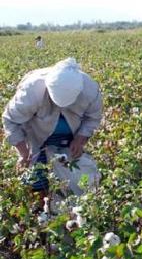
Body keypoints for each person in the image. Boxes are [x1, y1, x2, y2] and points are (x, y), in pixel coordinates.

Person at [2, 58, 103, 196]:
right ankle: (42, 205)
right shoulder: (32, 90)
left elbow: (93, 118)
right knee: (36, 174)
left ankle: (69, 201)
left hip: (69, 137)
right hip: (36, 135)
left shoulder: (90, 90)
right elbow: (10, 119)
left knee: (74, 171)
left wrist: (80, 139)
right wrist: (23, 152)